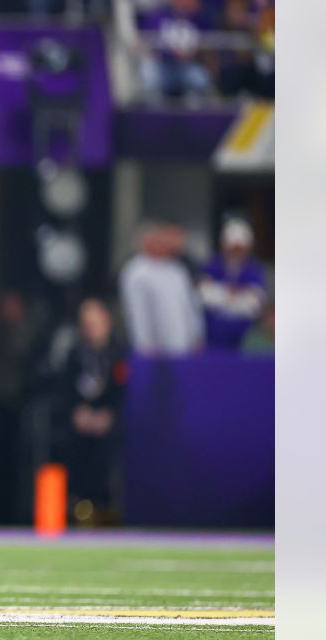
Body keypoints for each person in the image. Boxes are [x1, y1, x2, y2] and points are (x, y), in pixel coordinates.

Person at [58, 298, 127, 525]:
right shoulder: (75, 354)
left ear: (106, 321)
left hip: (108, 427)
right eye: (86, 324)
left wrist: (108, 416)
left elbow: (122, 391)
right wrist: (79, 413)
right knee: (77, 466)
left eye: (95, 323)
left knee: (108, 468)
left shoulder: (118, 354)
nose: (91, 328)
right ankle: (77, 514)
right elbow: (66, 389)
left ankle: (108, 516)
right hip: (81, 427)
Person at [120, 222, 203, 356]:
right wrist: (145, 345)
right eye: (155, 241)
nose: (160, 245)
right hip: (156, 351)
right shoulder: (136, 272)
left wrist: (196, 335)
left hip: (185, 347)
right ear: (145, 243)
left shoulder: (177, 270)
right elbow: (136, 311)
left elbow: (189, 306)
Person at [199, 217, 267, 350]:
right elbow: (204, 296)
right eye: (232, 246)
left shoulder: (254, 269)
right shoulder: (212, 265)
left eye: (240, 246)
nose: (236, 250)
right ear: (224, 244)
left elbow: (254, 304)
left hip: (244, 335)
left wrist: (221, 293)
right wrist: (236, 294)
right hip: (213, 334)